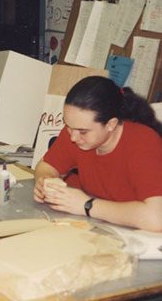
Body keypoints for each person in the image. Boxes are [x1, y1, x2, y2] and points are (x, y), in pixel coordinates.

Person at [34, 76, 162, 232]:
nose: (73, 137)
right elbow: (46, 166)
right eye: (68, 126)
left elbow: (156, 219)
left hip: (140, 238)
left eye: (83, 131)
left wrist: (86, 205)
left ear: (111, 124)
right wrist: (45, 182)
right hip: (102, 227)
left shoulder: (143, 143)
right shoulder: (76, 131)